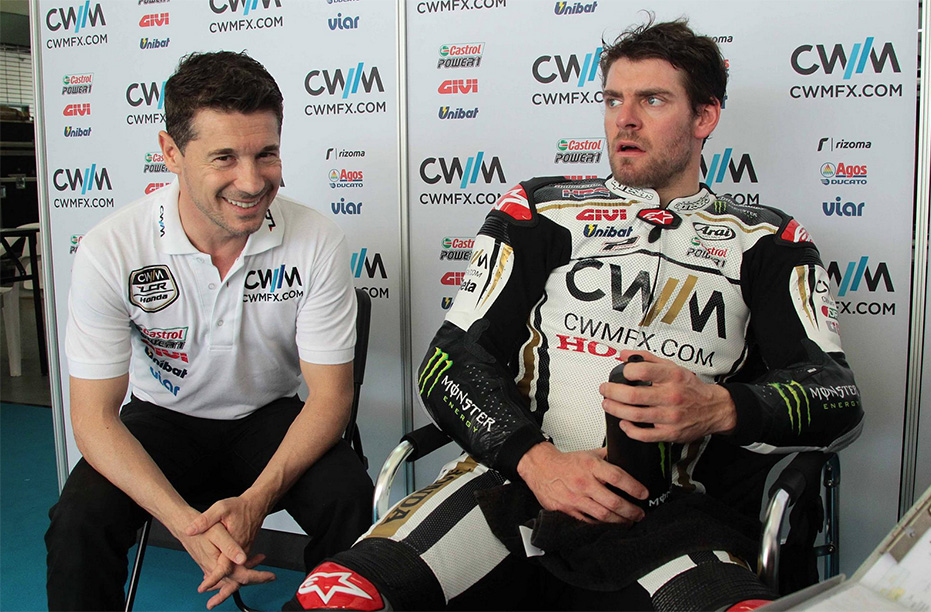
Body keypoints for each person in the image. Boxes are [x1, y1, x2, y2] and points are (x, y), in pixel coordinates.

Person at [288, 18, 863, 612]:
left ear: (705, 117)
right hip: (513, 484)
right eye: (613, 99)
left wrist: (720, 407)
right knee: (335, 599)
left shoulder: (769, 241)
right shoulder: (539, 211)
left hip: (671, 517)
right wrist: (538, 462)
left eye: (652, 100)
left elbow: (837, 396)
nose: (624, 119)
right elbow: (448, 363)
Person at [45, 51, 373, 611]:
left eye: (266, 154)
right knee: (78, 521)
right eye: (224, 157)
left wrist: (256, 501)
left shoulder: (316, 238)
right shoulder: (111, 247)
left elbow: (331, 398)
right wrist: (188, 527)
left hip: (268, 418)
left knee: (348, 496)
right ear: (171, 152)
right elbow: (93, 418)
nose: (251, 181)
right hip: (161, 420)